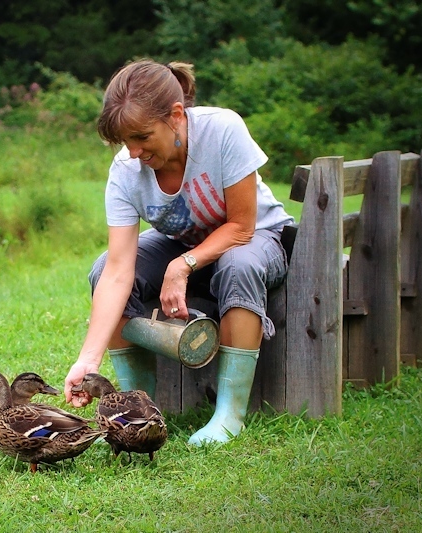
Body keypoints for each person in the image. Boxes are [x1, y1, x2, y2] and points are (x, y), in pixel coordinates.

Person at [62, 58, 294, 446]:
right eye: (125, 141)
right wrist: (88, 359)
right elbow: (119, 269)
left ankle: (229, 416)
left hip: (257, 238)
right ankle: (138, 413)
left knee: (237, 263)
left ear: (175, 116)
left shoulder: (222, 130)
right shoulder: (125, 171)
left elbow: (241, 226)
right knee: (102, 267)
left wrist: (183, 265)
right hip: (186, 244)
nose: (134, 152)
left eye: (142, 137)